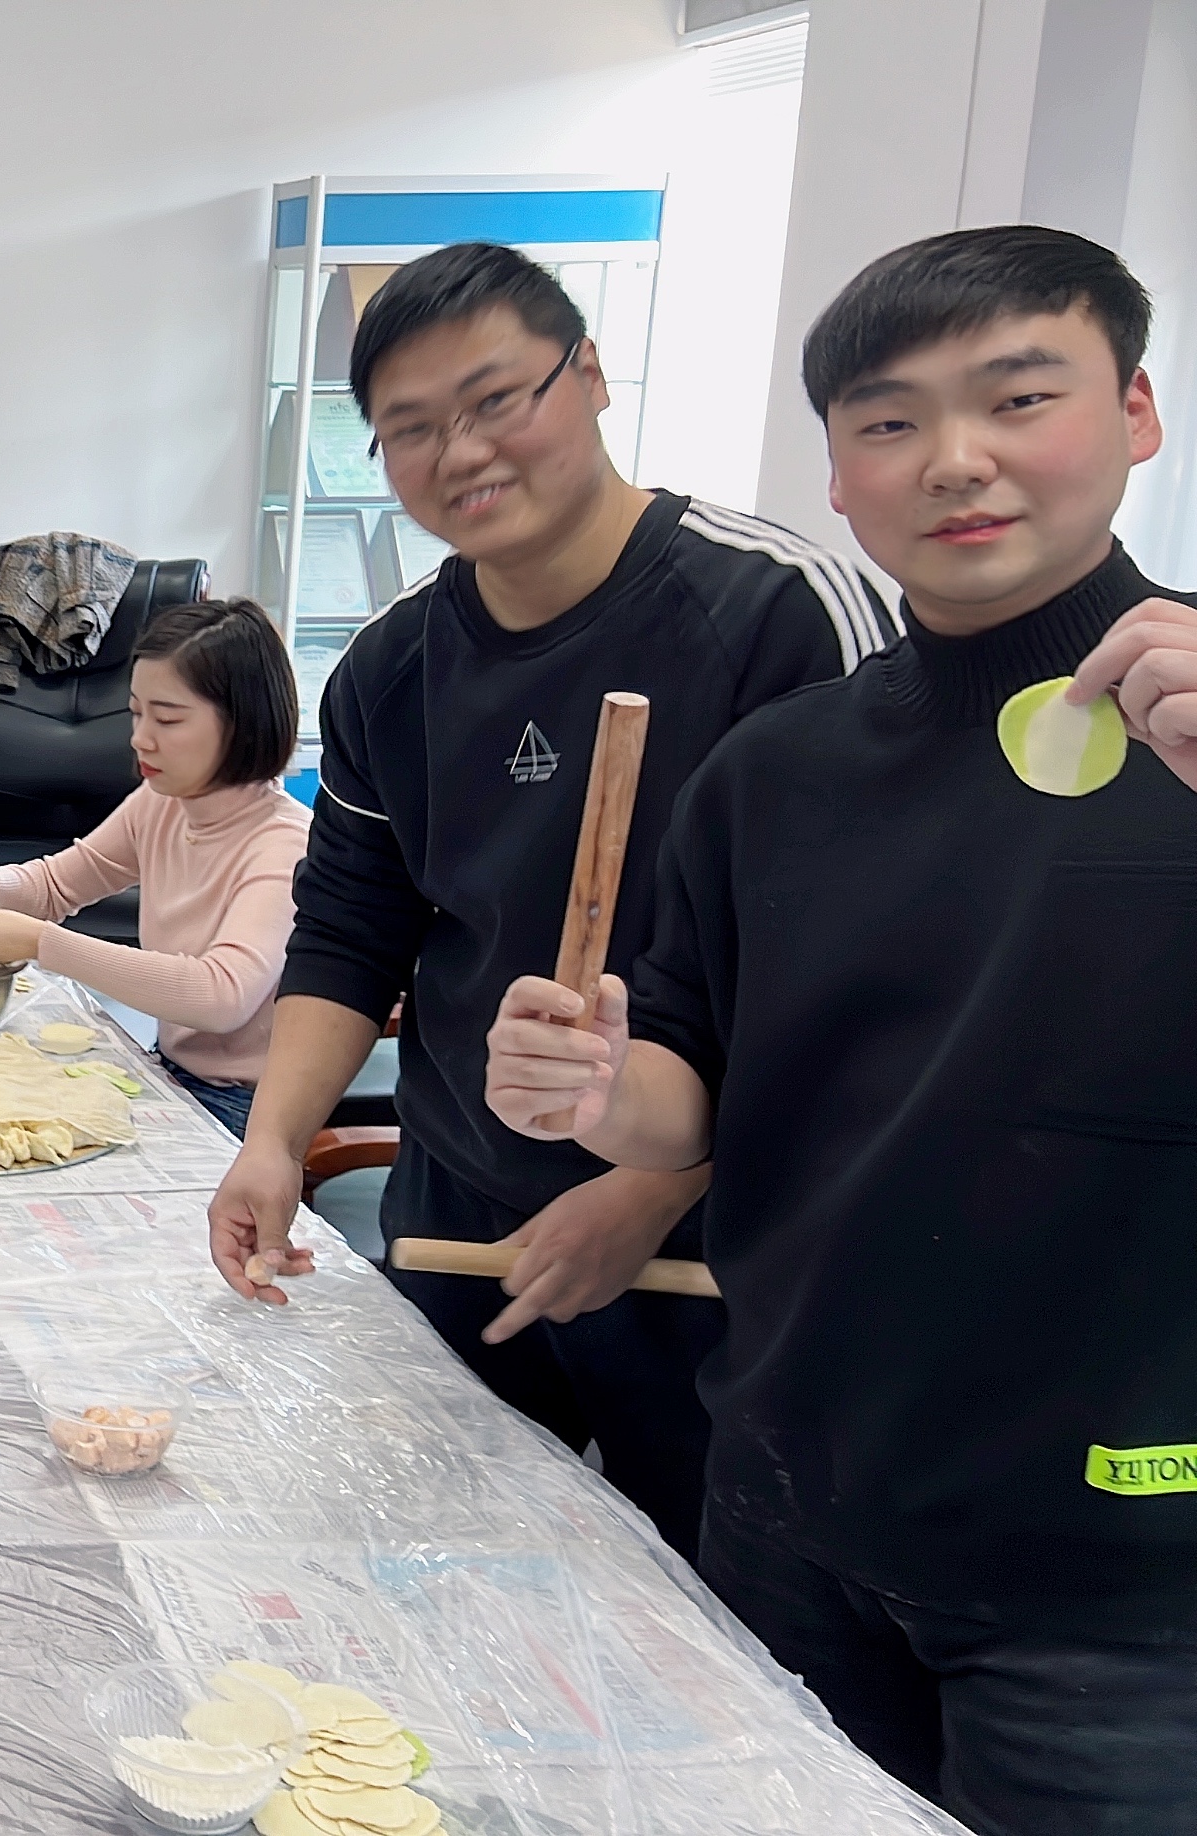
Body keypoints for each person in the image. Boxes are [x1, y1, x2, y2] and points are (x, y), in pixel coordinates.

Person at [482, 226, 1197, 1835]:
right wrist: (596, 1087)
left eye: (1019, 397)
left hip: (1128, 1591)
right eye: (889, 421)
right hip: (790, 1517)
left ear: (1138, 411)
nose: (955, 459)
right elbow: (694, 1088)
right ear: (838, 470)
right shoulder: (779, 768)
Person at [203, 242, 897, 1558]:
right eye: (411, 428)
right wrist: (276, 1140)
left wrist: (651, 1190)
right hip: (462, 1203)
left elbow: (861, 977)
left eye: (495, 400)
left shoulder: (780, 612)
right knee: (432, 1565)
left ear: (588, 374)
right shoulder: (392, 668)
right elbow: (351, 929)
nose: (460, 452)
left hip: (717, 1239)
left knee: (705, 1609)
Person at [0, 598, 309, 1137]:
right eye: (136, 713)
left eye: (167, 719)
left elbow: (222, 996)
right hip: (171, 1070)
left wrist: (40, 943)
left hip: (247, 1108)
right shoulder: (164, 801)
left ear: (243, 724)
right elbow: (56, 885)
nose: (140, 738)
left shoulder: (285, 844)